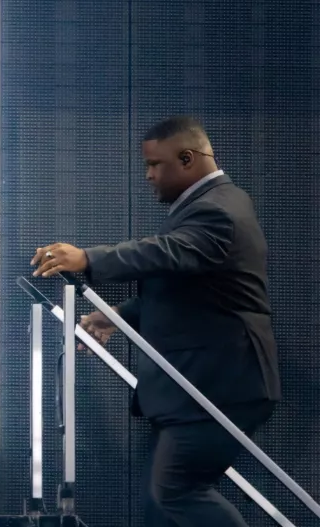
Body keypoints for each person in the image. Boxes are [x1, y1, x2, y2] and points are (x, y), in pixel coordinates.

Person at [30, 116, 279, 527]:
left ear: (187, 158)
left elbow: (163, 253)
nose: (147, 176)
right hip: (200, 387)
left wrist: (89, 257)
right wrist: (117, 317)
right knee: (162, 503)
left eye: (155, 165)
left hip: (218, 385)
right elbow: (185, 291)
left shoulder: (219, 211)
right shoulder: (211, 205)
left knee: (176, 495)